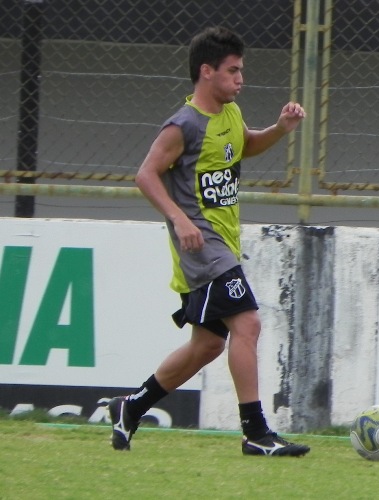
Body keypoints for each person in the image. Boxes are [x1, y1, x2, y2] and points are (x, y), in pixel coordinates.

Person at [107, 26, 310, 457]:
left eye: (241, 71)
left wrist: (280, 128)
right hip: (202, 249)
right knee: (248, 323)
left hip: (223, 244)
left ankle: (131, 407)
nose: (241, 79)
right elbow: (145, 174)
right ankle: (255, 433)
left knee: (208, 345)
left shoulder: (230, 114)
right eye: (233, 71)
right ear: (206, 72)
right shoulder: (183, 125)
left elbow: (244, 146)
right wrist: (180, 219)